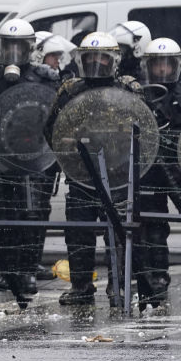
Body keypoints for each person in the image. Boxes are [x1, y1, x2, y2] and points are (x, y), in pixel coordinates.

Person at [45, 31, 144, 306]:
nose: (97, 63)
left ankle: (118, 286)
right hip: (82, 174)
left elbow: (143, 129)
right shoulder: (70, 90)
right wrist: (68, 153)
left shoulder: (128, 89)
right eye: (91, 57)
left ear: (113, 60)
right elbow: (50, 128)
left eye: (102, 58)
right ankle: (81, 286)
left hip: (119, 174)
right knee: (78, 231)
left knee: (120, 230)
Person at [0, 19, 60, 305]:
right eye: (8, 46)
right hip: (1, 159)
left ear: (30, 47)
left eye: (19, 46)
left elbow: (55, 116)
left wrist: (53, 155)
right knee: (6, 216)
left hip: (36, 157)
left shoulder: (46, 76)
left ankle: (28, 270)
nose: (13, 52)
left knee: (33, 215)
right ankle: (7, 271)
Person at [133, 37, 181, 310]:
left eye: (167, 65)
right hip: (150, 168)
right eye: (157, 65)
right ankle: (157, 281)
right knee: (153, 226)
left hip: (177, 167)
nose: (162, 70)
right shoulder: (139, 94)